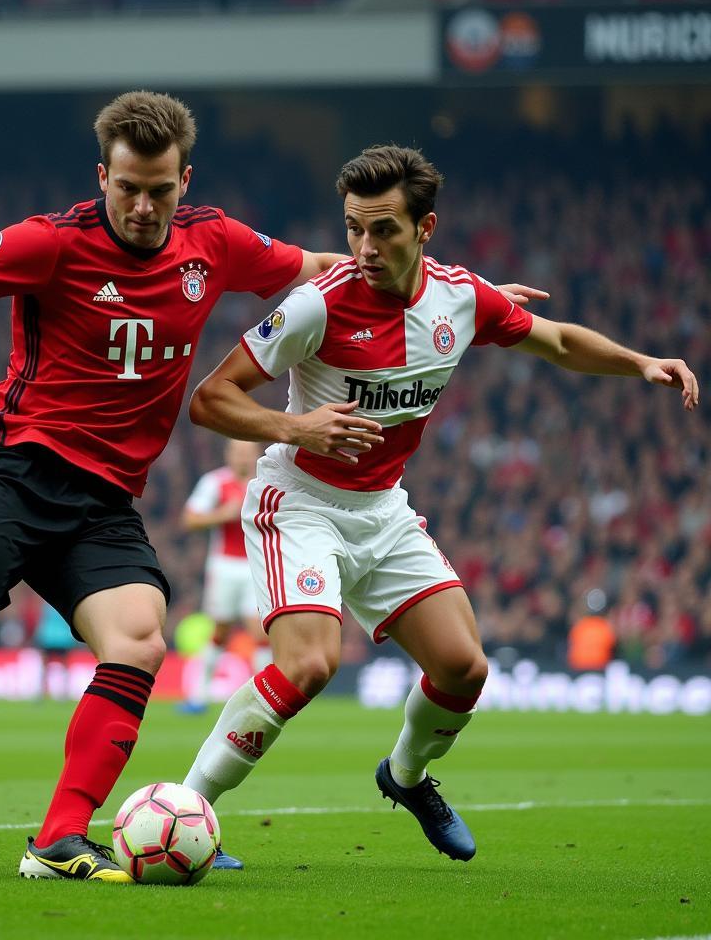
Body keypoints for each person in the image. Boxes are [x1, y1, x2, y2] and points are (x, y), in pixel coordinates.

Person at [0, 95, 541, 884]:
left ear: (185, 183)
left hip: (105, 500)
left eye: (159, 190)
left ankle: (58, 837)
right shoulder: (52, 243)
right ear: (102, 177)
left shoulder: (213, 242)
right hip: (15, 471)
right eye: (127, 188)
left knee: (141, 640)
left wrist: (462, 293)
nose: (142, 207)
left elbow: (329, 264)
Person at [181, 144, 698, 868]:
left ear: (425, 228)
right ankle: (189, 809)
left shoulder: (459, 296)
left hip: (383, 510)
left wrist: (640, 360)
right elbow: (210, 399)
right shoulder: (317, 304)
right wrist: (296, 426)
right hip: (299, 502)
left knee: (464, 668)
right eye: (355, 228)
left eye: (383, 229)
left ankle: (405, 776)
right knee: (308, 667)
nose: (364, 246)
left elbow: (555, 341)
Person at [179, 438, 269, 714]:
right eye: (237, 452)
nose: (242, 458)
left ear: (256, 455)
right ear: (228, 454)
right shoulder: (215, 482)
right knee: (220, 631)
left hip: (258, 566)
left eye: (247, 453)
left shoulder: (267, 483)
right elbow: (190, 519)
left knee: (259, 631)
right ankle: (198, 696)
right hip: (224, 567)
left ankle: (267, 698)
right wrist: (223, 514)